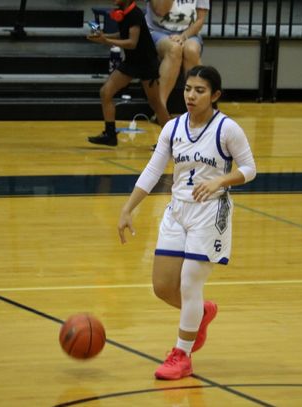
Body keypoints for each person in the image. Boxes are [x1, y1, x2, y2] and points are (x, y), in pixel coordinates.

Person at [117, 65, 256, 380]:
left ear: (215, 95)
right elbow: (153, 170)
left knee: (190, 283)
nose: (191, 96)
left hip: (210, 212)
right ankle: (201, 313)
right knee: (163, 286)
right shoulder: (173, 127)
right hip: (177, 210)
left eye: (200, 90)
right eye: (188, 89)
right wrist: (128, 208)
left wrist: (221, 180)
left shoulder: (227, 129)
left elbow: (249, 169)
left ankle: (182, 355)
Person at [87, 0, 170, 146]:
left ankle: (171, 140)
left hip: (146, 63)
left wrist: (106, 40)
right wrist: (103, 37)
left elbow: (132, 42)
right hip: (132, 62)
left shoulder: (135, 14)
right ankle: (110, 134)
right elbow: (123, 34)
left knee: (156, 103)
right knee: (105, 92)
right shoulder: (122, 12)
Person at [145, 0, 210, 109]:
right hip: (157, 31)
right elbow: (160, 11)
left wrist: (184, 36)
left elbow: (200, 20)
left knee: (191, 50)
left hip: (189, 32)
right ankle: (160, 109)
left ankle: (199, 107)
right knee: (174, 49)